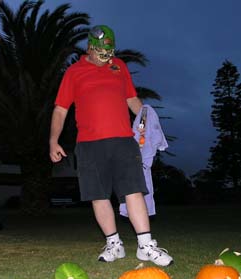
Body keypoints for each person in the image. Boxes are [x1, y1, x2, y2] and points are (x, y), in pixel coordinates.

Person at [49, 25, 173, 266]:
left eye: (108, 52)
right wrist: (53, 140)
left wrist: (148, 123)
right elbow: (60, 109)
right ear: (89, 47)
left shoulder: (119, 67)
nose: (104, 57)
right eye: (99, 52)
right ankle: (114, 244)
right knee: (98, 194)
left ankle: (145, 245)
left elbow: (132, 99)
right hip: (88, 144)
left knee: (134, 190)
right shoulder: (74, 72)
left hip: (123, 141)